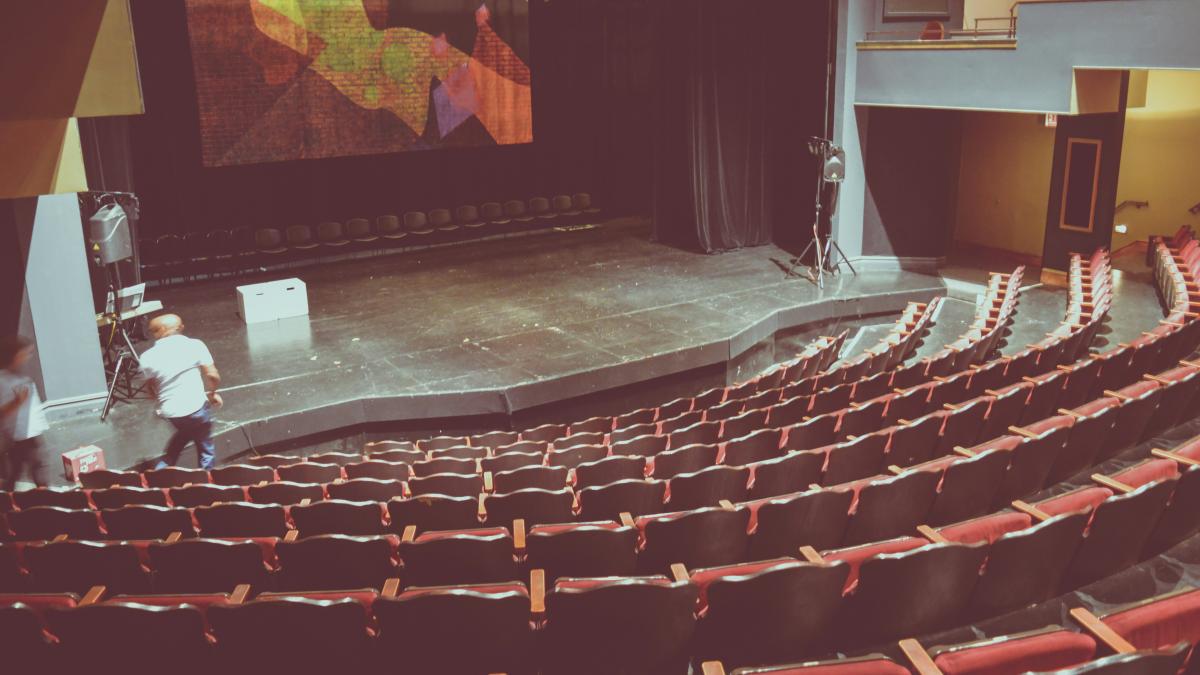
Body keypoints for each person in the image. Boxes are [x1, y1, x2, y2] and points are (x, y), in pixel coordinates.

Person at [139, 314, 222, 470]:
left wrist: (161, 403)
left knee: (184, 434)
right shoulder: (195, 345)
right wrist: (212, 393)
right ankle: (205, 480)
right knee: (205, 447)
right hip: (196, 409)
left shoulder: (146, 357)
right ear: (180, 328)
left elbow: (150, 388)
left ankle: (162, 470)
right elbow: (212, 375)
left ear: (157, 332)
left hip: (172, 413)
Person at [0, 335, 50, 490]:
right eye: (25, 353)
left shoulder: (22, 376)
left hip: (30, 433)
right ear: (15, 355)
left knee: (35, 468)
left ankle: (43, 494)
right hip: (17, 437)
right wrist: (17, 401)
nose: (28, 357)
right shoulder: (3, 380)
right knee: (20, 471)